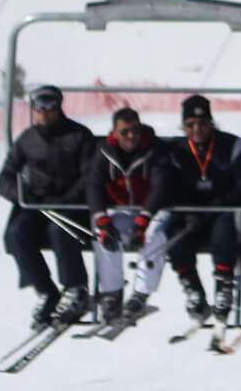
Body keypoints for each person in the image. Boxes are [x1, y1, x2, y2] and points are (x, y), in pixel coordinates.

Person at [0, 85, 96, 328]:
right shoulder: (28, 139)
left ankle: (76, 289)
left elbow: (90, 176)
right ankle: (47, 291)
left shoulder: (79, 135)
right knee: (17, 233)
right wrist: (20, 194)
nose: (44, 113)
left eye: (49, 107)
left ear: (59, 106)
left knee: (60, 231)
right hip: (37, 204)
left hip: (72, 204)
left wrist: (69, 199)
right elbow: (5, 177)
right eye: (39, 108)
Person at [163, 94, 241, 326]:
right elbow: (168, 185)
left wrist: (220, 204)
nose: (198, 129)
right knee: (173, 230)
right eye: (191, 125)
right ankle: (192, 287)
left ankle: (223, 285)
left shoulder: (231, 145)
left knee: (224, 230)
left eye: (203, 123)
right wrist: (187, 210)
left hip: (223, 209)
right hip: (191, 214)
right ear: (184, 126)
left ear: (211, 123)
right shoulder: (177, 150)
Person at [84, 107, 173, 325]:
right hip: (122, 209)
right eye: (125, 132)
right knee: (104, 234)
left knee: (153, 236)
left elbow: (160, 187)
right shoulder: (104, 151)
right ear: (114, 133)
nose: (131, 136)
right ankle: (112, 293)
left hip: (154, 210)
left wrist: (144, 220)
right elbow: (93, 184)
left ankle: (140, 294)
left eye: (135, 130)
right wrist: (102, 219)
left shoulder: (154, 149)